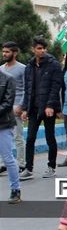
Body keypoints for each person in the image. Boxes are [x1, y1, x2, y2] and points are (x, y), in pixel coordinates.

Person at [20, 37, 63, 180]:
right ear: (33, 49)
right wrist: (25, 108)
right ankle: (28, 169)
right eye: (39, 48)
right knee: (30, 138)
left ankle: (51, 167)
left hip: (47, 108)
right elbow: (28, 89)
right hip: (33, 109)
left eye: (44, 48)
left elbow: (55, 87)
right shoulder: (29, 66)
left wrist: (51, 105)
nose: (42, 50)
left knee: (50, 137)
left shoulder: (54, 65)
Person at [0, 41, 26, 173]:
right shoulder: (1, 69)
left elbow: (27, 88)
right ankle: (3, 164)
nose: (4, 54)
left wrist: (22, 106)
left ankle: (21, 164)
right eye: (3, 51)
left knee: (18, 136)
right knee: (3, 136)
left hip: (16, 107)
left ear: (15, 53)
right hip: (3, 108)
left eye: (7, 52)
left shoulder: (22, 68)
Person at [0, 70, 21, 203]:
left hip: (3, 124)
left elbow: (8, 103)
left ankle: (15, 189)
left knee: (8, 158)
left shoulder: (8, 79)